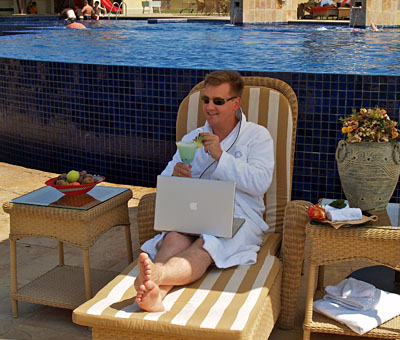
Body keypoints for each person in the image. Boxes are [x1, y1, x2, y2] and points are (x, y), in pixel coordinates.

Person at [135, 70, 275, 312]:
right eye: (206, 100)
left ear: (236, 103)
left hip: (239, 216)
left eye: (218, 101)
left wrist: (221, 157)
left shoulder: (257, 136)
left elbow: (260, 182)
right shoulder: (193, 138)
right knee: (173, 238)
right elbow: (165, 181)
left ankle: (157, 274)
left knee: (205, 245)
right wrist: (175, 176)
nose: (210, 107)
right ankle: (155, 291)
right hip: (195, 212)